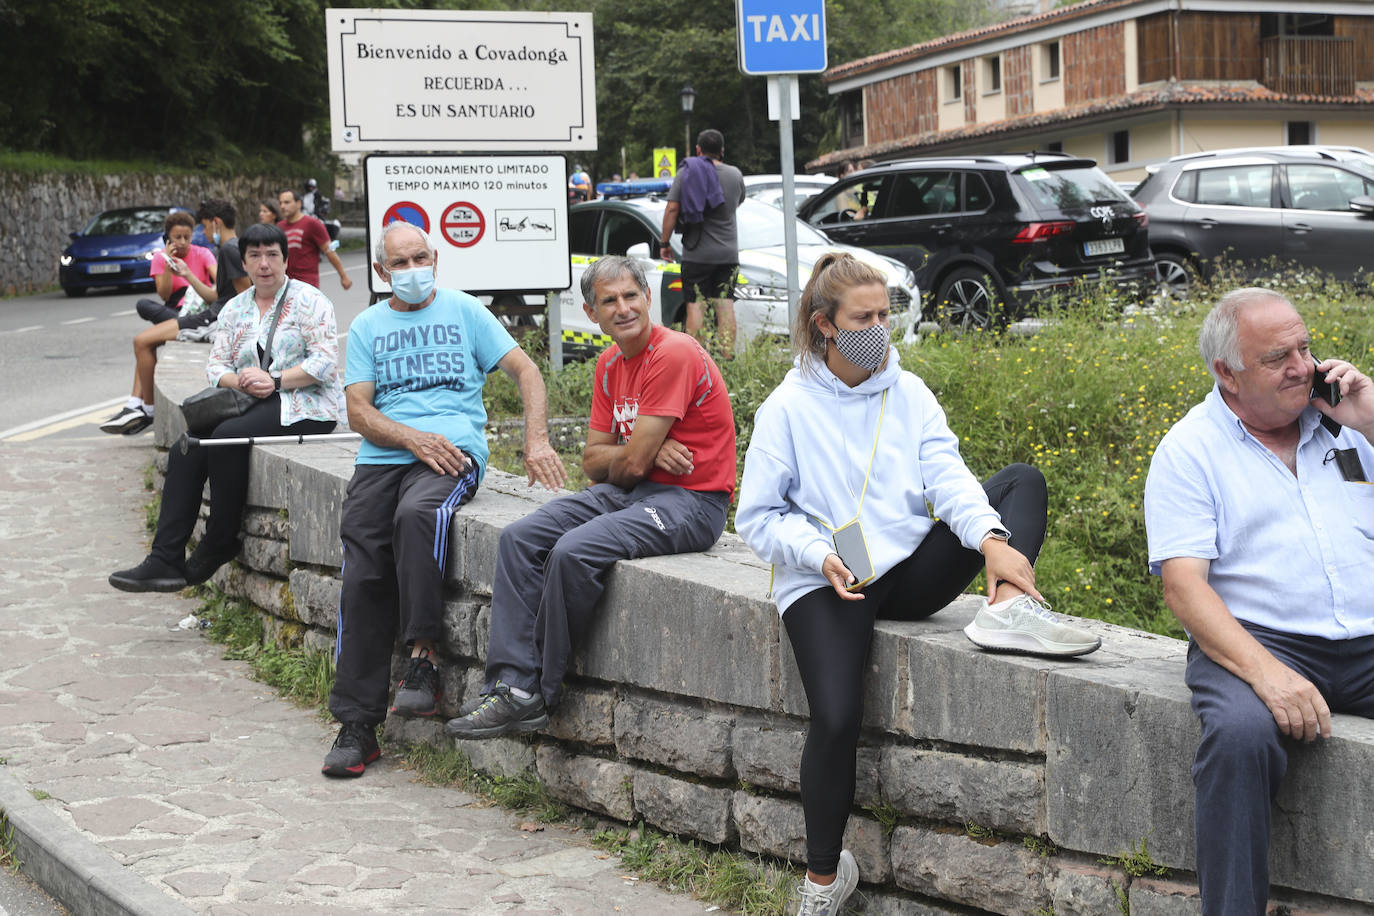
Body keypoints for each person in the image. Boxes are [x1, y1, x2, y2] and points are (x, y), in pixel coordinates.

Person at [734, 253, 1100, 916]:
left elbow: (947, 477)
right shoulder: (785, 409)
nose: (881, 328)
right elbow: (757, 516)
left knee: (1019, 481)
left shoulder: (908, 391)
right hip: (829, 577)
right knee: (838, 715)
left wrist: (991, 542)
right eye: (864, 318)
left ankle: (1007, 610)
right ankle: (823, 880)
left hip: (904, 569)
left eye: (885, 314)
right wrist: (818, 555)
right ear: (825, 326)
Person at [1143, 287, 1374, 916]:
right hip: (1259, 640)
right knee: (1240, 737)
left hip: (1366, 639)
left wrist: (1371, 417)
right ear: (1228, 372)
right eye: (1279, 357)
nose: (1303, 366)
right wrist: (1268, 676)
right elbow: (1184, 587)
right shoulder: (1190, 452)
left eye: (1306, 347)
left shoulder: (1347, 424)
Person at [445, 255, 737, 741]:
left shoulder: (675, 353)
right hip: (628, 492)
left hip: (692, 502)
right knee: (520, 538)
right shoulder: (608, 365)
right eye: (609, 301)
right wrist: (641, 449)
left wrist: (632, 457)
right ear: (591, 312)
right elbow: (593, 461)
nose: (622, 308)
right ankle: (511, 686)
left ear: (648, 298)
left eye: (630, 296)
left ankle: (540, 691)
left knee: (573, 551)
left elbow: (623, 462)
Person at [322, 221, 566, 778]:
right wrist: (410, 437)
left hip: (453, 454)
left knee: (418, 515)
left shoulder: (464, 311)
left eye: (421, 258)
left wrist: (536, 439)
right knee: (362, 573)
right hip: (384, 457)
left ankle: (424, 656)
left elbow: (526, 371)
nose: (413, 271)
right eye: (400, 264)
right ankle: (358, 724)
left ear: (436, 258)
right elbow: (359, 411)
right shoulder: (366, 326)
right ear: (382, 272)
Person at [108, 223, 343, 592]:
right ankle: (164, 559)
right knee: (189, 444)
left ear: (286, 259)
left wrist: (276, 381)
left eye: (272, 255)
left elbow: (325, 362)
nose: (264, 264)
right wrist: (241, 380)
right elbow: (216, 366)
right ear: (244, 262)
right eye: (254, 256)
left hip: (305, 404)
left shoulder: (310, 301)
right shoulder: (235, 308)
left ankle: (220, 538)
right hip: (250, 397)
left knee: (226, 436)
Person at [101, 200, 250, 435]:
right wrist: (188, 274)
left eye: (205, 227)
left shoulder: (230, 249)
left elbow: (246, 297)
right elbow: (216, 295)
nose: (206, 234)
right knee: (143, 340)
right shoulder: (232, 247)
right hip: (210, 313)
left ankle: (147, 410)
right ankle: (137, 406)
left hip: (212, 320)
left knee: (142, 341)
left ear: (216, 223)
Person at [659, 129, 746, 355]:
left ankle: (696, 360)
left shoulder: (687, 173)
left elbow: (672, 208)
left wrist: (664, 242)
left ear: (698, 150)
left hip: (697, 254)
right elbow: (736, 203)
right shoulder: (735, 174)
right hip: (728, 254)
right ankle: (727, 358)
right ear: (722, 150)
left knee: (696, 306)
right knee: (725, 306)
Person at [134, 210, 217, 326]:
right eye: (178, 237)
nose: (183, 242)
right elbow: (164, 295)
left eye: (186, 237)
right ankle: (185, 323)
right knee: (142, 304)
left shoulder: (203, 253)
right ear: (168, 238)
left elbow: (220, 280)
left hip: (201, 308)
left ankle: (183, 324)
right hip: (176, 310)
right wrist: (168, 265)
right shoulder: (159, 258)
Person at [277, 189, 352, 291]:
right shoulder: (279, 227)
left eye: (287, 202)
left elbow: (329, 251)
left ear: (298, 204)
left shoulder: (312, 224)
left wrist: (343, 276)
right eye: (281, 203)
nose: (282, 206)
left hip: (307, 285)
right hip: (285, 285)